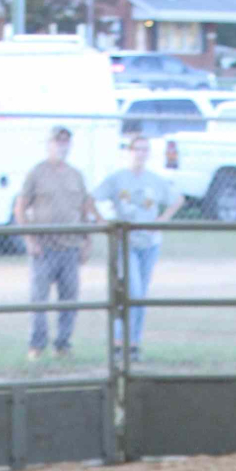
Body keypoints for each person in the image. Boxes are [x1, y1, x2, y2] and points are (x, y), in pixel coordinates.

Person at [93, 133, 184, 365]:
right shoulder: (117, 179)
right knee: (131, 290)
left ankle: (133, 344)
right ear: (129, 151)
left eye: (145, 150)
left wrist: (162, 219)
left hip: (149, 243)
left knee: (141, 295)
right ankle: (117, 343)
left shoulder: (154, 179)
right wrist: (103, 222)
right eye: (137, 149)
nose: (140, 154)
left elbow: (177, 199)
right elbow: (92, 199)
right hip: (127, 244)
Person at [13, 125, 98, 362]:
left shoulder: (76, 175)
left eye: (66, 141)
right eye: (57, 141)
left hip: (70, 247)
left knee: (69, 299)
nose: (62, 145)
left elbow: (84, 210)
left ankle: (63, 344)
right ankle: (36, 345)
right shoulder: (36, 173)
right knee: (39, 299)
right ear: (48, 143)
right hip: (44, 247)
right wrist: (29, 239)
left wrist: (86, 242)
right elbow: (20, 207)